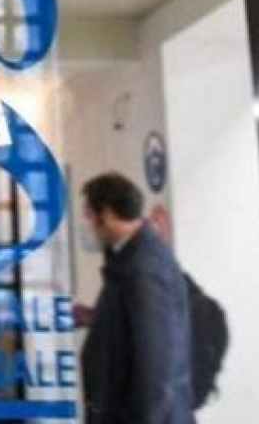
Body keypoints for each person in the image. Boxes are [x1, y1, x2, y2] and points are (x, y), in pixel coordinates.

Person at [79, 172, 194, 424]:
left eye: (89, 214)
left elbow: (156, 364)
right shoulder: (126, 260)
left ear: (107, 214)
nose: (87, 223)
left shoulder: (145, 269)